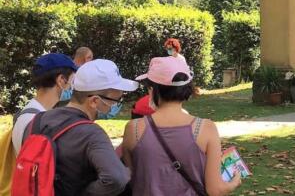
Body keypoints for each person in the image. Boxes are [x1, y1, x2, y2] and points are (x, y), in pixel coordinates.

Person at [122, 56, 241, 196]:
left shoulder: (133, 128)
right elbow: (215, 190)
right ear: (187, 88)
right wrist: (234, 182)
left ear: (153, 90)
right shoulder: (207, 128)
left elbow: (132, 176)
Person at [21, 59, 137, 195]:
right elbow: (117, 178)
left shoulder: (38, 119)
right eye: (116, 101)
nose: (116, 105)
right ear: (94, 101)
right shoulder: (92, 134)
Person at [12, 53, 77, 154]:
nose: (72, 87)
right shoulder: (41, 123)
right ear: (61, 81)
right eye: (72, 81)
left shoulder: (24, 115)